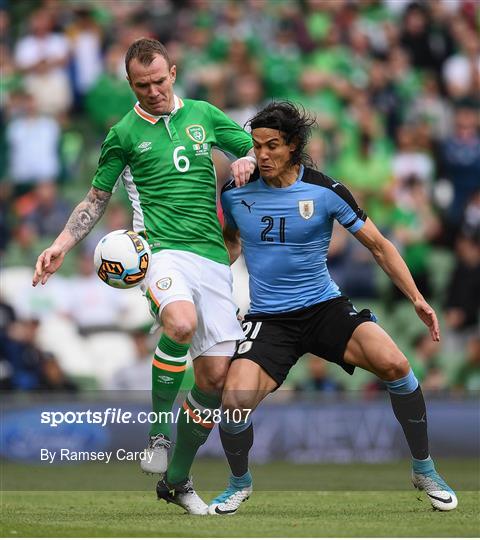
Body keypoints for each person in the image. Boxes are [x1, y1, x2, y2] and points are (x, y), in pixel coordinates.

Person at [32, 38, 256, 515]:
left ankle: (176, 480)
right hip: (159, 253)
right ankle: (157, 432)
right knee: (179, 323)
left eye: (159, 80)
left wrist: (247, 159)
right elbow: (95, 199)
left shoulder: (204, 114)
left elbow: (257, 151)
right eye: (141, 84)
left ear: (173, 72)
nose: (153, 91)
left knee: (214, 379)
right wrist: (60, 245)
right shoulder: (124, 133)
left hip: (214, 259)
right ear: (129, 83)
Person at [209, 102, 457, 515]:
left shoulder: (326, 191)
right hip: (269, 318)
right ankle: (239, 483)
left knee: (396, 364)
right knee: (234, 404)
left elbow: (378, 245)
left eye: (272, 146)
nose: (262, 155)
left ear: (293, 146)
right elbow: (231, 244)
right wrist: (217, 292)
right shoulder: (236, 192)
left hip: (324, 307)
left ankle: (424, 469)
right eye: (256, 147)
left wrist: (417, 299)